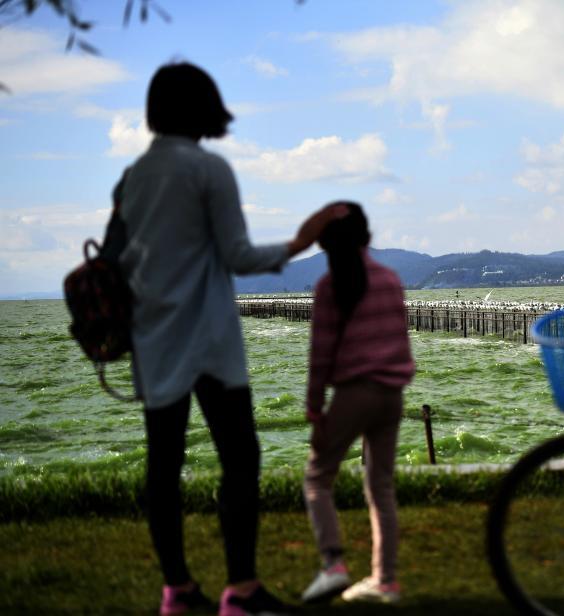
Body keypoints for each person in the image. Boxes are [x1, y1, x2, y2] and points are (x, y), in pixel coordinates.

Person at [118, 62, 343, 616]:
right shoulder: (208, 169)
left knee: (162, 467)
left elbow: (121, 260)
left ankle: (177, 590)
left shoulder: (130, 178)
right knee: (240, 459)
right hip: (210, 341)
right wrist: (298, 243)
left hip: (153, 340)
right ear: (205, 109)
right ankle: (240, 589)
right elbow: (238, 255)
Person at [300, 202, 415, 605]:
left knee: (317, 478)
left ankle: (333, 564)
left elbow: (321, 356)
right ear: (368, 238)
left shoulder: (329, 287)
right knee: (381, 486)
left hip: (354, 393)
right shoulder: (390, 280)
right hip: (392, 395)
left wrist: (315, 410)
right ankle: (385, 580)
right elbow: (402, 339)